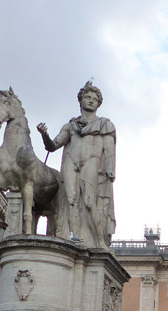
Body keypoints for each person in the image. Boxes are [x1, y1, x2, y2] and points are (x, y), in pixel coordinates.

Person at [37, 81, 116, 248]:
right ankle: (74, 238)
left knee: (88, 201)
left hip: (91, 161)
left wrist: (110, 169)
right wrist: (44, 134)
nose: (90, 100)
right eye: (87, 97)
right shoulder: (71, 126)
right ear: (80, 100)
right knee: (70, 200)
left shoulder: (105, 125)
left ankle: (100, 241)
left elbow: (109, 151)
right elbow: (52, 146)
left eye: (94, 99)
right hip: (71, 161)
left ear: (99, 103)